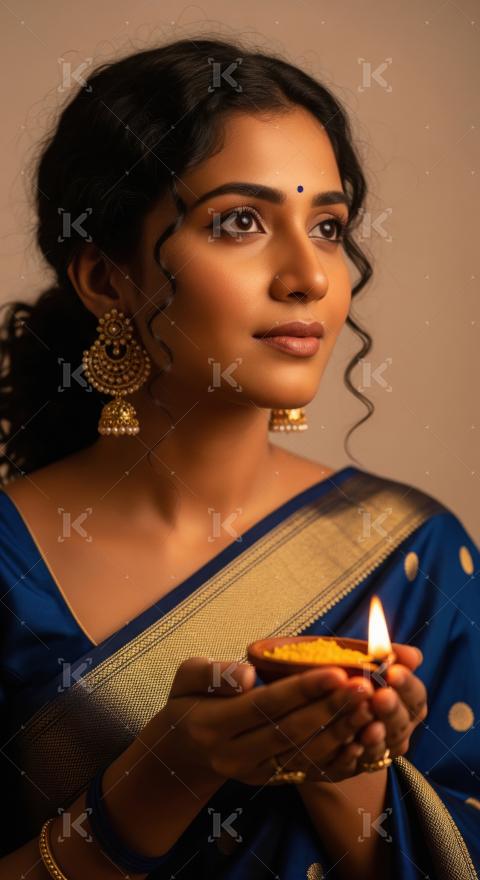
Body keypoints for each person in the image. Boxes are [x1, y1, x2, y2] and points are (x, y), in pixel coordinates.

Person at [0, 35, 478, 880]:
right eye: (241, 222)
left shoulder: (414, 549)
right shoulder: (10, 563)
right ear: (106, 279)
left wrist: (350, 767)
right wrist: (169, 769)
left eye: (328, 226)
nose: (309, 276)